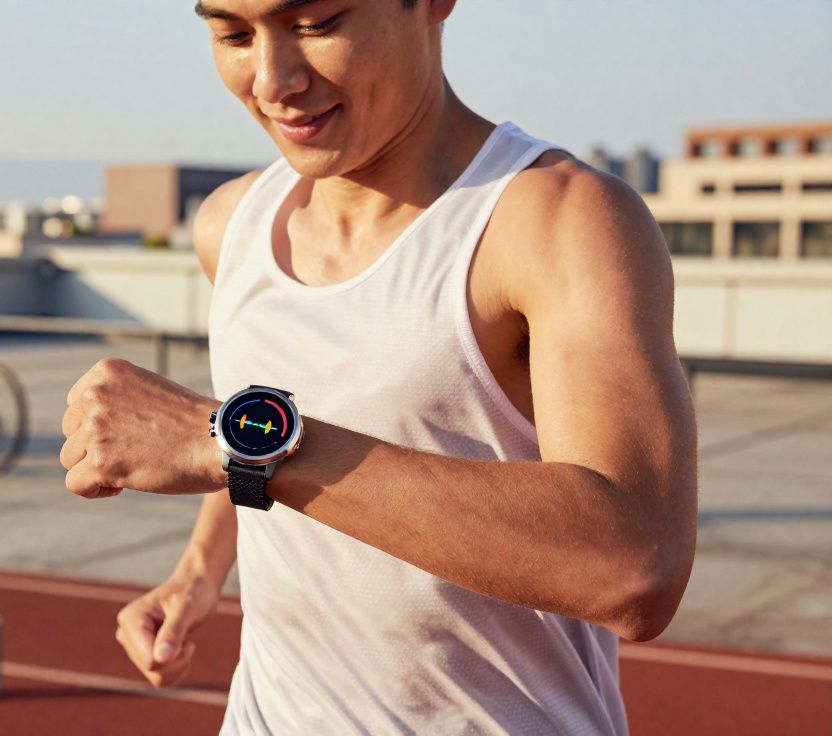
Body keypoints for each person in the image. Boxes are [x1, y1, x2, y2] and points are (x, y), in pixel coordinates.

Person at [58, 0, 698, 732]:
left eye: (315, 23)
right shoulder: (230, 226)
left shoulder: (556, 220)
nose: (272, 81)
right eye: (233, 34)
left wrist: (223, 440)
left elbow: (634, 566)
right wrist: (200, 571)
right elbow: (275, 418)